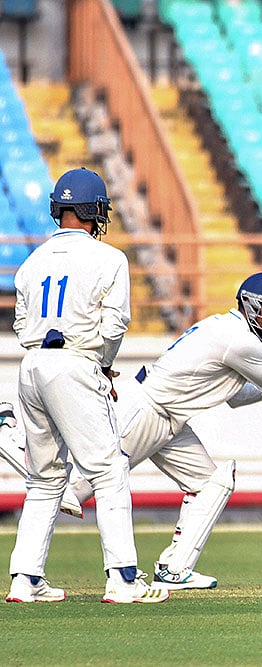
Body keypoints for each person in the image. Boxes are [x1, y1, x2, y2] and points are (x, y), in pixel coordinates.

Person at [65, 271, 262, 590]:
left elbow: (238, 395)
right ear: (251, 304)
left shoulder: (228, 330)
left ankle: (174, 569)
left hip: (168, 418)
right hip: (147, 411)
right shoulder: (240, 340)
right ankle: (28, 566)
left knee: (211, 483)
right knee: (73, 491)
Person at [6, 167, 169, 604]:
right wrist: (102, 366)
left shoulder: (32, 261)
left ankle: (24, 579)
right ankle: (122, 578)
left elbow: (22, 326)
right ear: (95, 211)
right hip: (76, 364)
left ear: (59, 209)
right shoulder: (109, 258)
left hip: (33, 365)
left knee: (43, 480)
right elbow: (115, 324)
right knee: (109, 470)